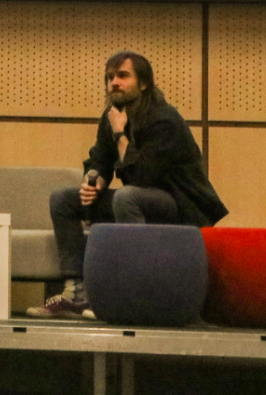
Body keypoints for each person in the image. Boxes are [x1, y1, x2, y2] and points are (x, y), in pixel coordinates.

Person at [27, 51, 227, 319]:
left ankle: (129, 292)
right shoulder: (112, 116)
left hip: (181, 206)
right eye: (110, 77)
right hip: (138, 200)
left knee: (127, 196)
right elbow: (100, 158)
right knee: (63, 200)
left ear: (143, 83)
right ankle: (77, 293)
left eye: (122, 76)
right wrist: (94, 181)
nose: (114, 83)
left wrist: (120, 133)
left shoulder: (165, 119)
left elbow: (144, 175)